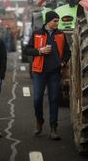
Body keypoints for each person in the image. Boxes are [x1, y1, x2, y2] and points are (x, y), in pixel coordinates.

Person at [25, 11, 71, 140]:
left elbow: (67, 52)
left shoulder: (61, 34)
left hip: (54, 72)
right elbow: (27, 50)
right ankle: (40, 121)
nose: (57, 23)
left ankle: (53, 128)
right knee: (37, 99)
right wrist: (40, 51)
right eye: (55, 21)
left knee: (54, 100)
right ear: (48, 21)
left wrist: (63, 62)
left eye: (58, 21)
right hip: (39, 72)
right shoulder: (37, 33)